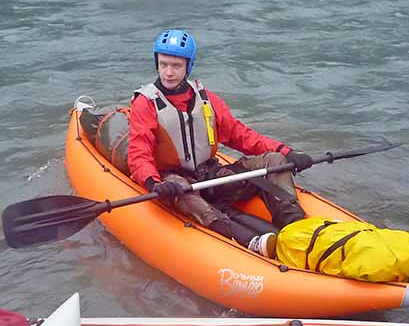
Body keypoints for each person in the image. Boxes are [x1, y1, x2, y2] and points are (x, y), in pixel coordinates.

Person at [127, 28, 314, 258]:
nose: (168, 72)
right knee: (182, 188)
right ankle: (235, 237)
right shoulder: (145, 103)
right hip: (174, 181)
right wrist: (154, 184)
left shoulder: (205, 99)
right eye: (163, 64)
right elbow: (139, 152)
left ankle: (295, 227)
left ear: (188, 66)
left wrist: (286, 151)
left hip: (211, 176)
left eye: (175, 66)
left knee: (276, 161)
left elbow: (240, 135)